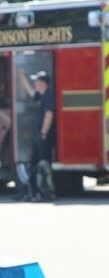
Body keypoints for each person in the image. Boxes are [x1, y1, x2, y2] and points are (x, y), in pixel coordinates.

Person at [18, 68, 56, 201]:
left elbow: (49, 114)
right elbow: (31, 92)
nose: (35, 84)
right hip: (39, 135)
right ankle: (35, 192)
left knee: (44, 164)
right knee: (35, 163)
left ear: (43, 83)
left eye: (36, 81)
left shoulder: (49, 96)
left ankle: (47, 192)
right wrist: (21, 77)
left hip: (44, 135)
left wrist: (43, 132)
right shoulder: (42, 95)